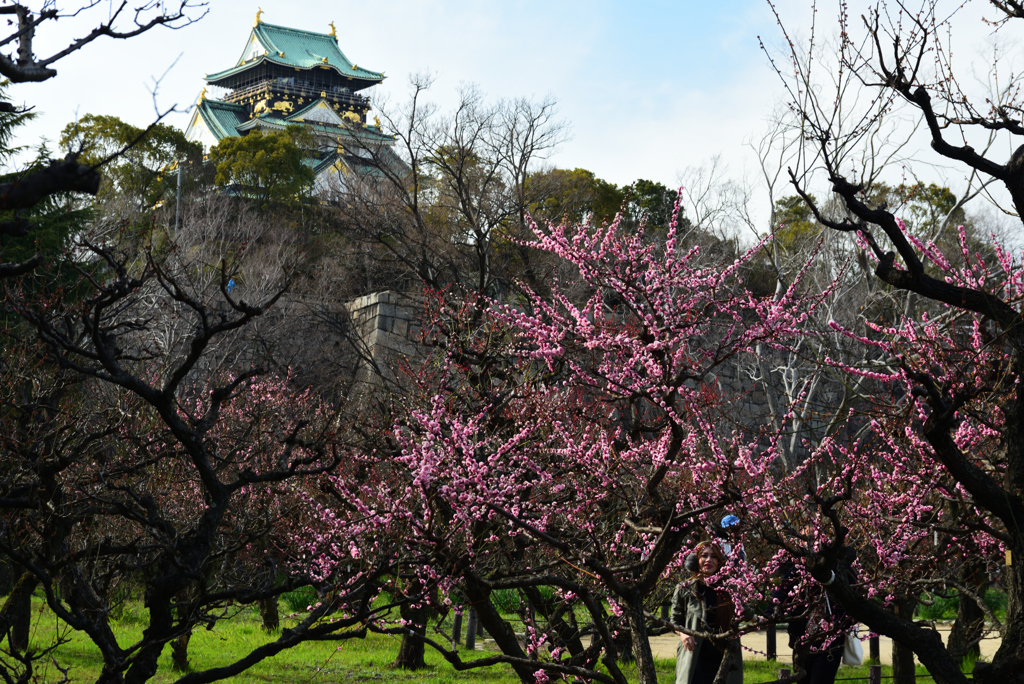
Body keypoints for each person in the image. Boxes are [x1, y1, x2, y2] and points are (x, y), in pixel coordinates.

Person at [672, 541, 744, 684]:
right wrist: (684, 634)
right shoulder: (684, 588)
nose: (708, 560)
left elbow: (745, 610)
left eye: (714, 556)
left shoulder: (730, 588)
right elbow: (675, 620)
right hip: (695, 652)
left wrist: (763, 618)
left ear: (719, 561)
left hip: (723, 651)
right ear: (696, 560)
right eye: (704, 556)